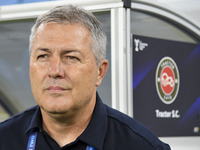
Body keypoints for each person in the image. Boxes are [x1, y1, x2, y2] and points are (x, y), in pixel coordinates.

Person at [0, 5, 171, 150]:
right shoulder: (5, 139)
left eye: (71, 57)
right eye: (43, 56)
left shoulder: (141, 146)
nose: (54, 71)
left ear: (100, 72)